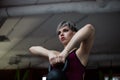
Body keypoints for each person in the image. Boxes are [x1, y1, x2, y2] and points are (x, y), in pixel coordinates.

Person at [29, 21, 95, 80]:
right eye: (59, 33)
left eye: (65, 30)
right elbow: (32, 49)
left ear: (75, 33)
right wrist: (49, 54)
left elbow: (89, 28)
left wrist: (65, 52)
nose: (61, 34)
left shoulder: (80, 54)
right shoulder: (57, 55)